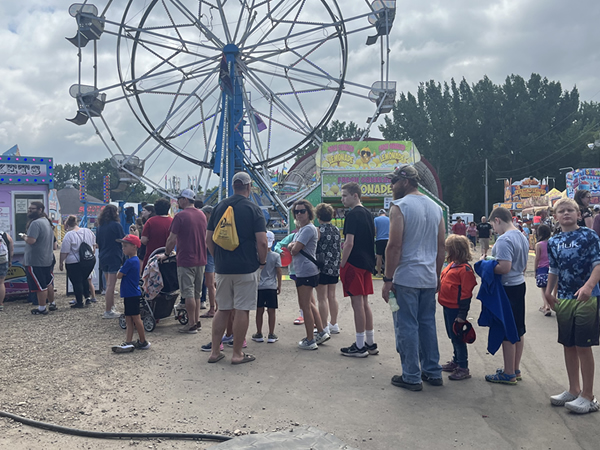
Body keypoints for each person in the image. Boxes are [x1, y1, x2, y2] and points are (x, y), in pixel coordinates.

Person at [382, 165, 446, 391]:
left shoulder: (399, 206)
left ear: (405, 181)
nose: (391, 186)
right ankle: (432, 370)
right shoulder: (436, 208)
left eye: (394, 182)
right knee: (427, 324)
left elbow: (394, 246)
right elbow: (441, 247)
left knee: (406, 325)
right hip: (428, 277)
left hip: (405, 277)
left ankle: (411, 374)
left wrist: (387, 278)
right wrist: (437, 275)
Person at [206, 172, 267, 364]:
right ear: (248, 187)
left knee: (222, 309)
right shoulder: (253, 209)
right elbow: (262, 242)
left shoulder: (218, 207)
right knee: (242, 309)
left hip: (223, 267)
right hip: (246, 267)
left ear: (233, 186)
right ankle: (237, 353)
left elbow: (208, 239)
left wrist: (218, 258)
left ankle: (215, 352)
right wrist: (262, 263)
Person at [546, 198, 600, 413]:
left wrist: (588, 286)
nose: (566, 213)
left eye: (570, 210)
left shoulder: (589, 236)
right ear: (556, 217)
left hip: (587, 298)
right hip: (565, 298)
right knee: (568, 344)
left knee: (583, 345)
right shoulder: (554, 241)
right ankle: (573, 389)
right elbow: (554, 269)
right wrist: (548, 293)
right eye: (561, 211)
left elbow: (598, 264)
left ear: (578, 214)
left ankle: (588, 395)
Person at [484, 207, 529, 385]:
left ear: (497, 220)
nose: (494, 231)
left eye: (493, 226)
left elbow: (504, 267)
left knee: (506, 329)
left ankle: (508, 372)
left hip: (507, 287)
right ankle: (515, 368)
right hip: (519, 283)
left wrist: (485, 264)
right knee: (518, 328)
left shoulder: (504, 240)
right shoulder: (521, 236)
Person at [339, 182, 377, 357]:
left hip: (354, 263)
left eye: (345, 195)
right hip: (367, 262)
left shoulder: (352, 215)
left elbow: (349, 242)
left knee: (357, 304)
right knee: (364, 303)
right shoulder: (368, 214)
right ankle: (370, 342)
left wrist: (342, 262)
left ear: (355, 195)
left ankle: (360, 345)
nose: (342, 199)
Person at [288, 200, 331, 350]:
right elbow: (293, 246)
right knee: (310, 303)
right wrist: (293, 245)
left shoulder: (307, 229)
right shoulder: (303, 229)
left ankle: (310, 339)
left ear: (309, 212)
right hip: (306, 270)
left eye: (302, 211)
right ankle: (320, 331)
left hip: (305, 271)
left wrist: (293, 246)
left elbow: (294, 249)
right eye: (296, 212)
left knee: (305, 305)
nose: (299, 214)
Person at [163, 189, 207, 333]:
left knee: (187, 293)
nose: (178, 201)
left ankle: (191, 324)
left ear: (185, 200)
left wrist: (166, 253)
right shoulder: (201, 215)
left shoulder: (180, 216)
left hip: (186, 258)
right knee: (197, 293)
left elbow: (171, 238)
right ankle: (197, 320)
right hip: (201, 258)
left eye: (180, 198)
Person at [438, 235, 477, 381]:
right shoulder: (452, 265)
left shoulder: (465, 270)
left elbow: (466, 294)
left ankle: (463, 366)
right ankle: (456, 360)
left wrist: (462, 314)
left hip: (456, 308)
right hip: (447, 306)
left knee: (458, 337)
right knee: (452, 335)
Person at [111, 234, 151, 353]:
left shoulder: (130, 262)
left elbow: (119, 275)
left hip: (131, 293)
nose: (123, 248)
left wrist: (120, 269)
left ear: (134, 247)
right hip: (130, 293)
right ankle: (128, 341)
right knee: (129, 318)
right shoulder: (134, 260)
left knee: (135, 318)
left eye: (125, 246)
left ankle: (143, 341)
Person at [23, 201, 55, 315]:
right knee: (47, 283)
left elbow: (31, 240)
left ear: (40, 209)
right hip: (47, 258)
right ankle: (52, 303)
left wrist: (24, 237)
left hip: (35, 260)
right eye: (29, 208)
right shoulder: (46, 221)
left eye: (33, 208)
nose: (30, 210)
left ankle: (42, 308)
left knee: (39, 286)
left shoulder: (35, 223)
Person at [59, 215, 97, 309]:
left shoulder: (69, 235)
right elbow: (94, 245)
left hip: (74, 262)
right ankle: (87, 297)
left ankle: (79, 302)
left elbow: (65, 251)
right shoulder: (88, 231)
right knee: (85, 278)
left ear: (67, 225)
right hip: (89, 260)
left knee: (77, 282)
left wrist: (61, 262)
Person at [252, 231, 282, 344]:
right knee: (271, 311)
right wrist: (279, 285)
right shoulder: (276, 256)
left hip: (259, 287)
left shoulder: (256, 256)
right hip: (271, 287)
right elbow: (279, 272)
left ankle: (259, 333)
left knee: (259, 311)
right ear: (273, 242)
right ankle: (271, 333)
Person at [315, 203, 341, 335]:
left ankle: (324, 326)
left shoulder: (318, 230)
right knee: (332, 296)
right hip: (334, 266)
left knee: (321, 298)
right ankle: (334, 324)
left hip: (322, 267)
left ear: (318, 216)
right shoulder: (336, 230)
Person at [96, 204, 125, 318]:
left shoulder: (100, 226)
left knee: (108, 283)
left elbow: (98, 241)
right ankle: (108, 310)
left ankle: (111, 306)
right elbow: (122, 240)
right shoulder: (116, 225)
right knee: (111, 285)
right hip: (114, 255)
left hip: (103, 255)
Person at [140, 198, 173, 271]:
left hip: (152, 256)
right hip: (169, 257)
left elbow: (143, 240)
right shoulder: (172, 221)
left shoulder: (150, 221)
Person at [199, 205, 217, 318]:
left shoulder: (209, 227)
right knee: (213, 283)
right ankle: (217, 306)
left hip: (208, 255)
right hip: (214, 256)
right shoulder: (217, 224)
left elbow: (207, 243)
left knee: (210, 284)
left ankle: (212, 308)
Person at [534, 224, 552, 316]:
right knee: (549, 288)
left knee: (543, 288)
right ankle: (547, 304)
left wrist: (535, 270)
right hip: (551, 268)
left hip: (542, 268)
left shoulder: (538, 245)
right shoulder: (551, 243)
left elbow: (537, 258)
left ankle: (546, 305)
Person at [0, 230, 14, 311]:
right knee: (1, 283)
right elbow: (11, 249)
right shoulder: (5, 235)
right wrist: (10, 261)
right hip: (3, 260)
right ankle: (0, 304)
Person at [374, 209, 389, 277]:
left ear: (379, 214)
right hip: (388, 239)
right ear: (385, 213)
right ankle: (386, 273)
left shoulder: (376, 219)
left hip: (379, 240)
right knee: (387, 257)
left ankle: (379, 273)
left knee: (379, 257)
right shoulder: (389, 219)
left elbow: (375, 230)